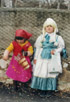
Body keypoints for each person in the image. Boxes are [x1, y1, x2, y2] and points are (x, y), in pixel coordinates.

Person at [31, 18, 66, 97]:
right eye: (47, 26)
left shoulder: (57, 38)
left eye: (50, 26)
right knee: (42, 71)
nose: (49, 28)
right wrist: (35, 58)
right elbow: (38, 48)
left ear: (54, 27)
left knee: (50, 72)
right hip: (42, 58)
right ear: (44, 28)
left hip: (52, 58)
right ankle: (41, 88)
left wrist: (56, 51)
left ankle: (49, 89)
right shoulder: (41, 37)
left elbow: (61, 47)